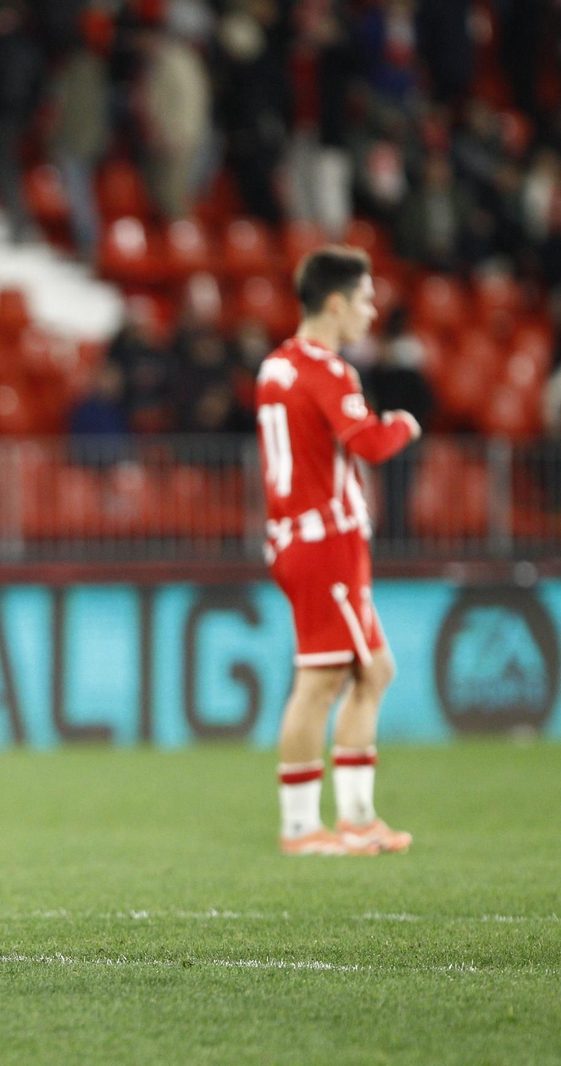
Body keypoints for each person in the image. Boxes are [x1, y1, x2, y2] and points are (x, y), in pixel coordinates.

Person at [255, 246, 420, 857]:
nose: (373, 312)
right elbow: (371, 443)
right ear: (335, 302)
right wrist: (405, 421)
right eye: (366, 299)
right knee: (321, 680)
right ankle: (302, 826)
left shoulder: (276, 366)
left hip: (307, 538)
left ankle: (355, 816)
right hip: (324, 541)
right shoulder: (326, 370)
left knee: (374, 670)